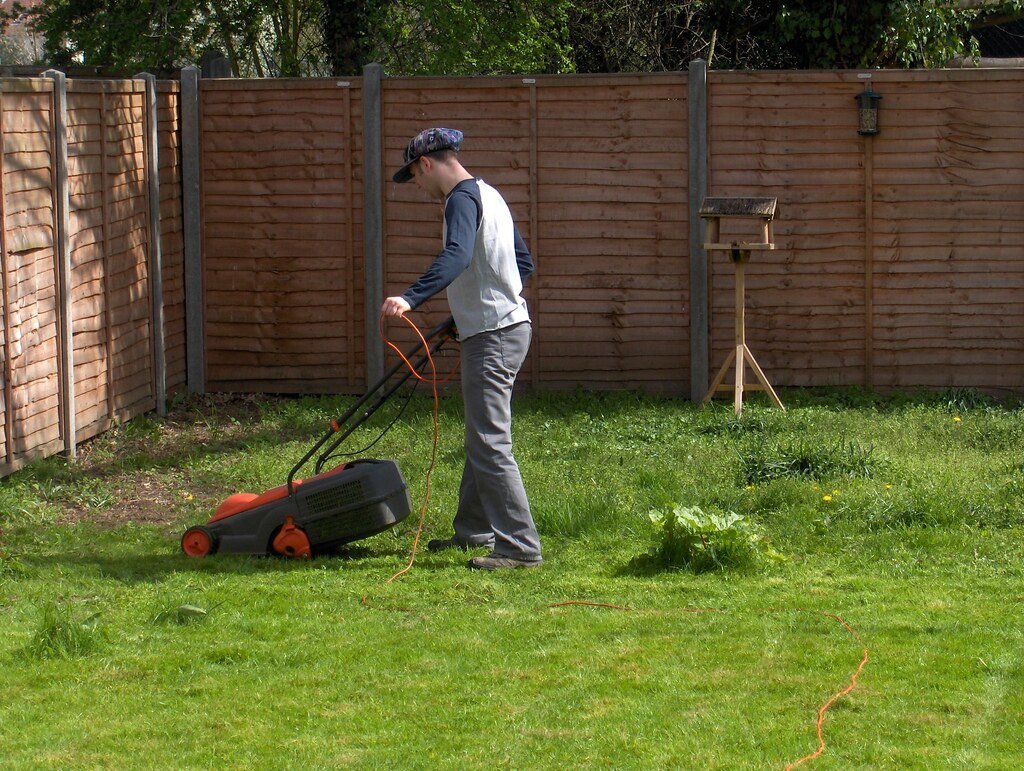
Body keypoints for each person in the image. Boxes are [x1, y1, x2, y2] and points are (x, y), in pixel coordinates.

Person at [381, 127, 542, 571]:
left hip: (494, 335)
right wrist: (466, 314)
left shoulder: (459, 200)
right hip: (505, 328)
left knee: (490, 441)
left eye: (415, 176)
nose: (418, 185)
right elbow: (522, 264)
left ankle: (520, 548)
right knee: (481, 434)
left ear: (426, 163)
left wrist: (410, 297)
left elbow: (457, 255)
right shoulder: (491, 195)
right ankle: (474, 530)